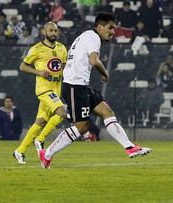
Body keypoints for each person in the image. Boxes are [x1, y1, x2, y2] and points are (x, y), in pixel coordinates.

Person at [39, 13, 152, 169]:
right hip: (74, 86)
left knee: (107, 112)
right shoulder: (93, 37)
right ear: (100, 27)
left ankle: (130, 147)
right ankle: (47, 154)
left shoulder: (87, 36)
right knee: (81, 127)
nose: (113, 31)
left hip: (81, 86)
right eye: (110, 27)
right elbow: (94, 60)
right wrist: (105, 73)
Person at [13, 22, 68, 164]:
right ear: (44, 31)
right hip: (44, 88)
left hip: (56, 88)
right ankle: (40, 140)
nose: (53, 33)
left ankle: (19, 151)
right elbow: (22, 66)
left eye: (55, 30)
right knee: (62, 112)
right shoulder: (36, 49)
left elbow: (65, 66)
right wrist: (39, 72)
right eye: (51, 30)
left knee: (41, 121)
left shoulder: (62, 48)